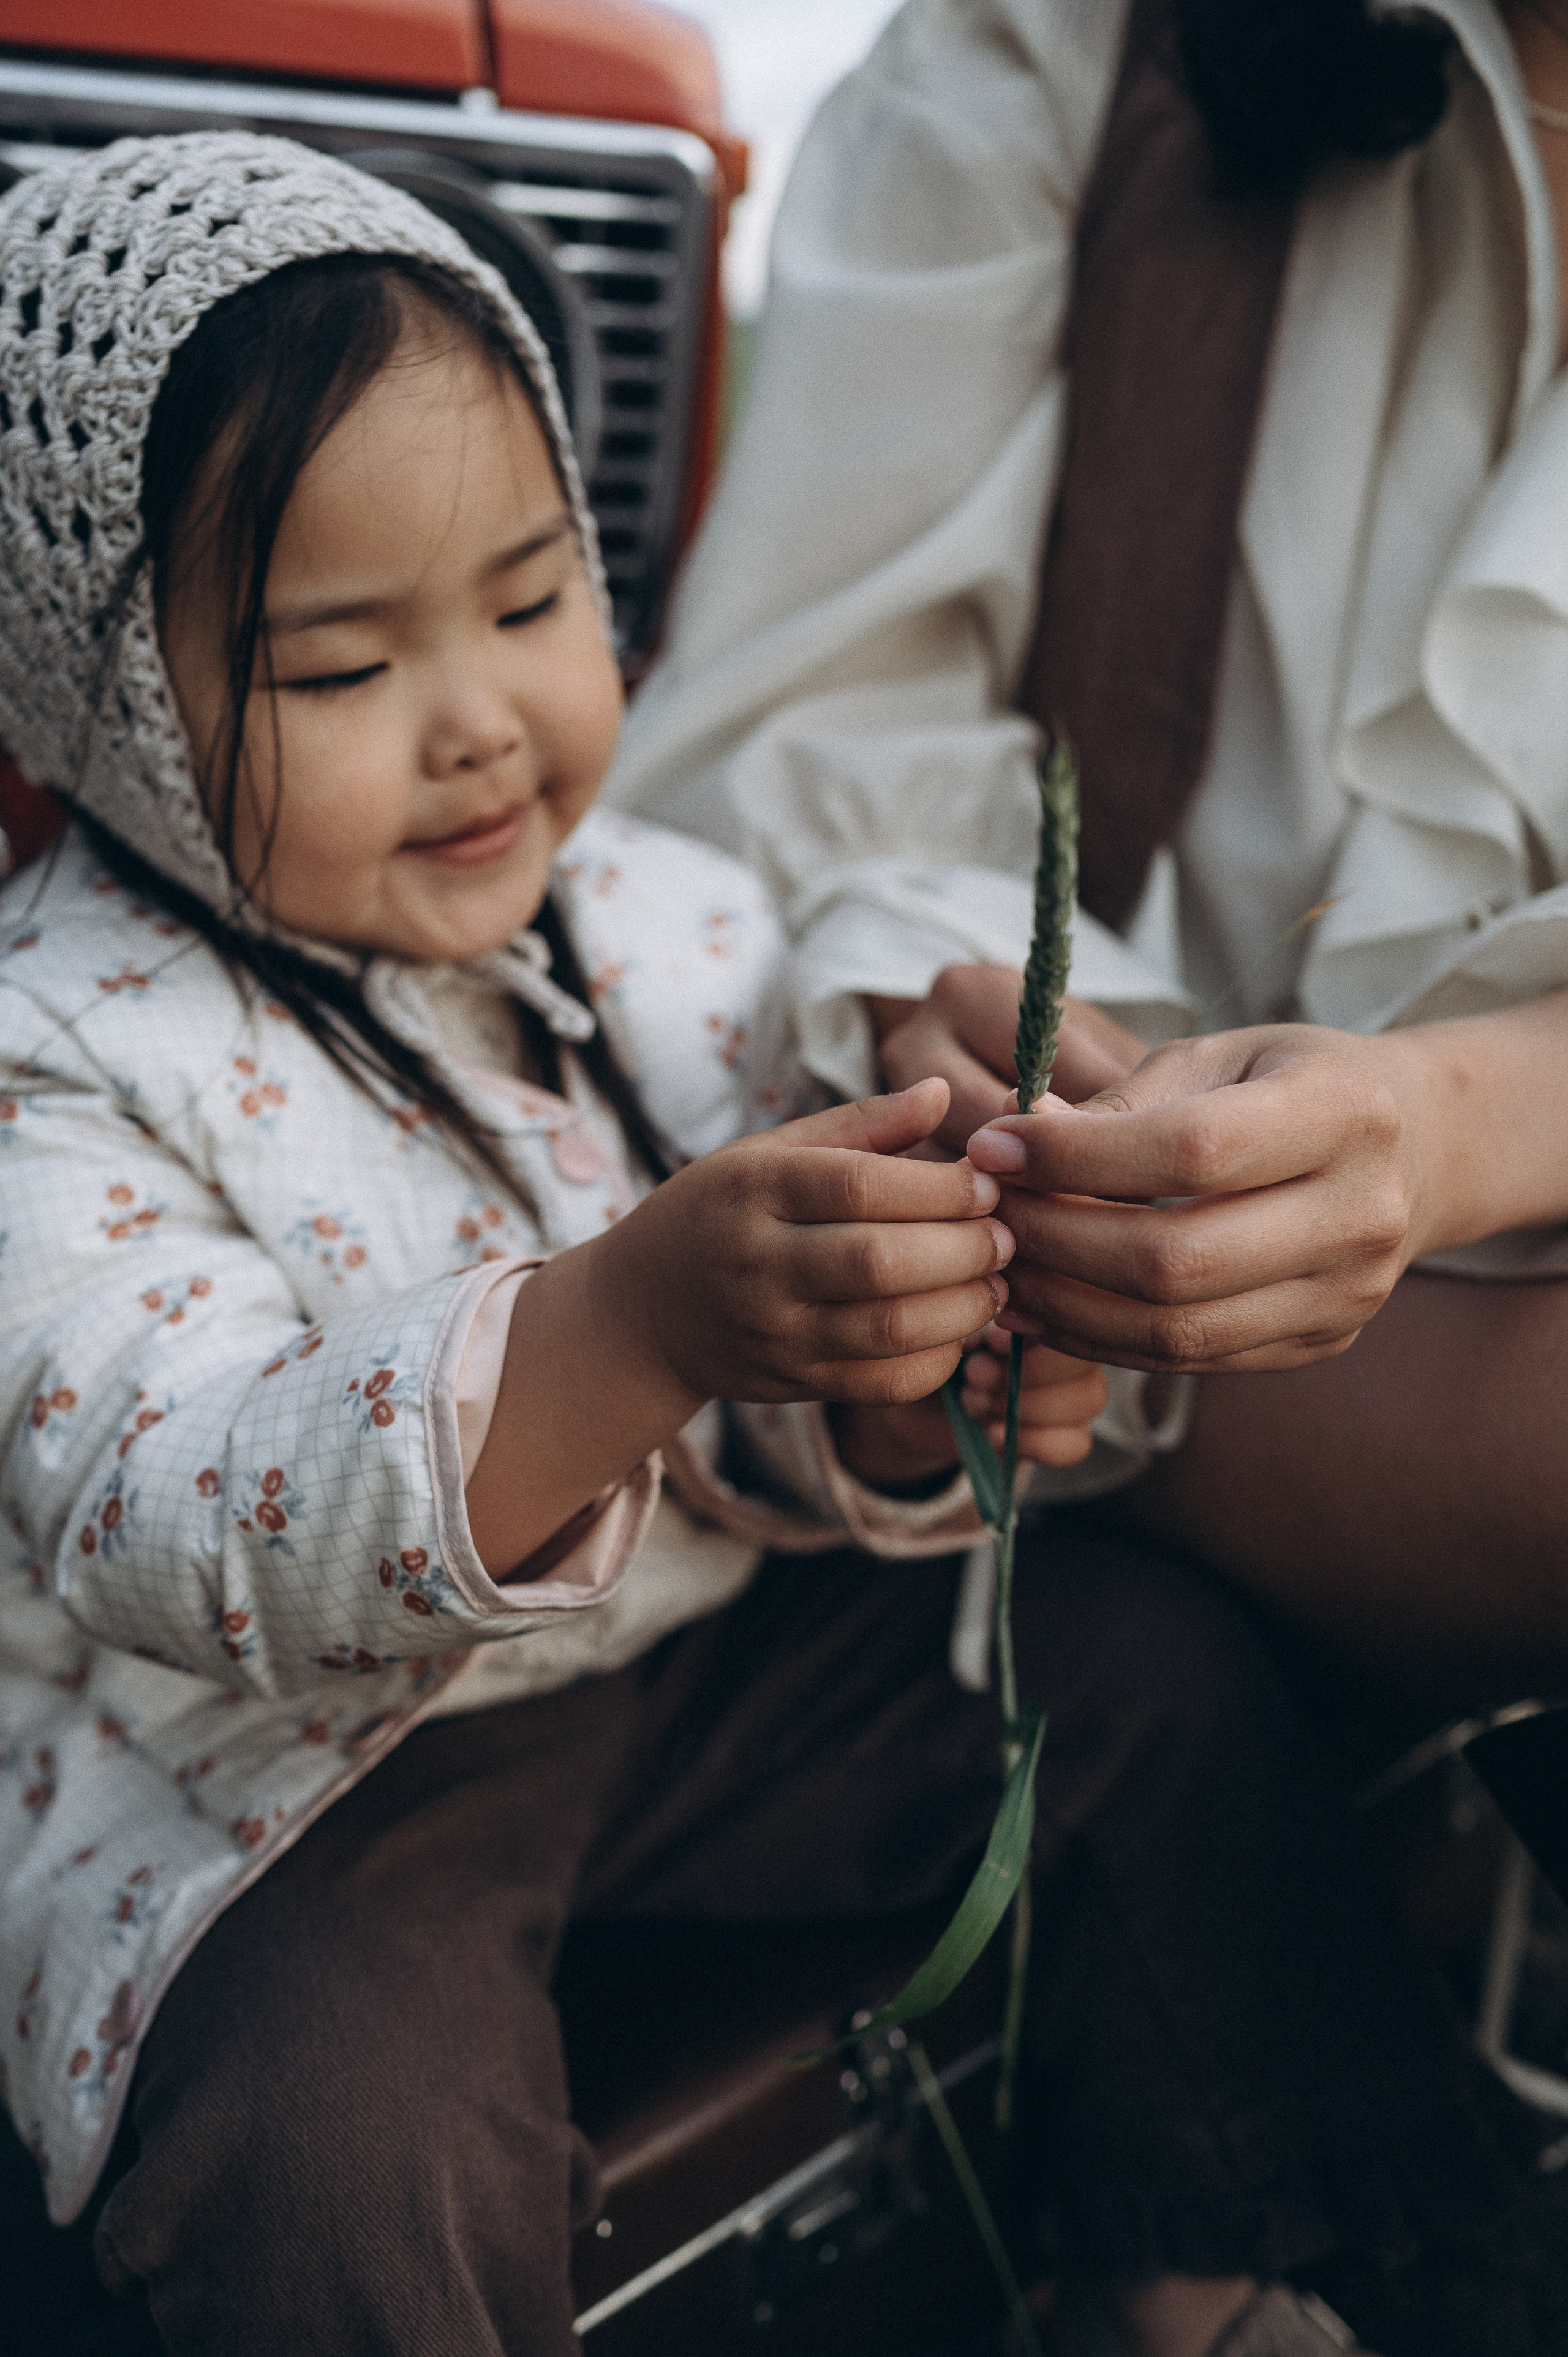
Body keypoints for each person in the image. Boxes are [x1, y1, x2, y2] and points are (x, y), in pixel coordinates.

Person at [0, 132, 1509, 2357]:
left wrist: (907, 1392)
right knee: (336, 2128)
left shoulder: (657, 914)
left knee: (1143, 1681)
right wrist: (633, 1317)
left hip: (691, 1671)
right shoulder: (53, 1061)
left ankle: (1205, 2275)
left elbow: (772, 1418)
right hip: (276, 1791)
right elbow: (174, 1515)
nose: (482, 720)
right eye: (338, 666)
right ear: (97, 698)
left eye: (532, 600)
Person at [610, 0, 1568, 1710]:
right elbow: (810, 711)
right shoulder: (1068, 44)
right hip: (1125, 1303)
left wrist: (1445, 1125)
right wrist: (980, 1033)